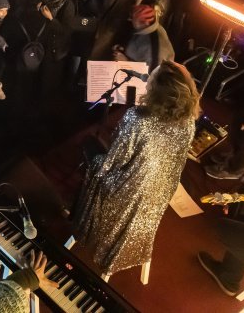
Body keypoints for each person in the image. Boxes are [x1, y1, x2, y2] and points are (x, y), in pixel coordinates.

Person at [74, 61, 200, 276]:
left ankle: (81, 223)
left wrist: (98, 166)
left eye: (152, 76)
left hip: (125, 192)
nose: (148, 78)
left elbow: (114, 162)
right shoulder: (189, 120)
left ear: (157, 90)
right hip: (160, 193)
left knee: (92, 154)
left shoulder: (137, 118)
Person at [112, 4, 175, 70]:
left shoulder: (154, 50)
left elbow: (151, 75)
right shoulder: (151, 27)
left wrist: (126, 62)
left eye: (132, 18)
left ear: (143, 22)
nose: (129, 19)